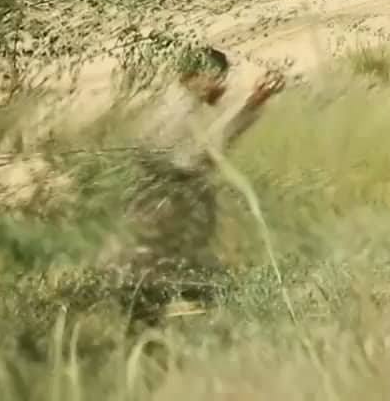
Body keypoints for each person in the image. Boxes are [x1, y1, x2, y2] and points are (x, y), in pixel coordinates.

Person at [104, 44, 286, 325]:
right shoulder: (176, 111)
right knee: (166, 271)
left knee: (169, 271)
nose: (221, 85)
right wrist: (251, 104)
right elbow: (197, 155)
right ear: (193, 76)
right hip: (168, 204)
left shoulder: (182, 104)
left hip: (171, 204)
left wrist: (252, 102)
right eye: (215, 77)